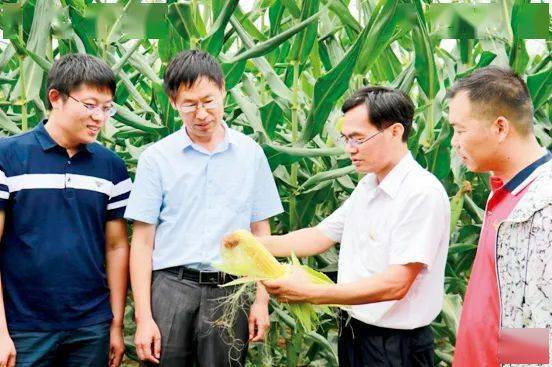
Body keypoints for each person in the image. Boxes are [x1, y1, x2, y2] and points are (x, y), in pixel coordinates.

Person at [253, 86, 450, 366]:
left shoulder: (421, 193)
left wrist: (312, 292)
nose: (350, 149)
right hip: (355, 333)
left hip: (395, 346)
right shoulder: (368, 185)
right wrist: (252, 244)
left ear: (395, 132)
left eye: (358, 138)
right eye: (346, 138)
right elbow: (319, 236)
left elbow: (396, 284)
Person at [125, 50, 283, 366]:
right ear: (173, 102)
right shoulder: (156, 159)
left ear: (224, 91)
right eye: (189, 104)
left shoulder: (250, 155)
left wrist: (261, 301)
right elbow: (141, 242)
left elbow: (261, 232)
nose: (201, 113)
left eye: (209, 101)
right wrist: (143, 318)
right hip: (172, 287)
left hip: (231, 290)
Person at [0, 54, 130, 367]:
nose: (99, 116)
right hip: (23, 328)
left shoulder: (111, 167)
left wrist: (115, 325)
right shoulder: (8, 157)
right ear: (55, 98)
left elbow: (115, 247)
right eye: (89, 104)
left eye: (107, 107)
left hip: (91, 327)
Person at [448, 66, 552, 366]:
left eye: (460, 130)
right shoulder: (505, 190)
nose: (454, 142)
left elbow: (537, 323)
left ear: (500, 128)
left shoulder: (541, 208)